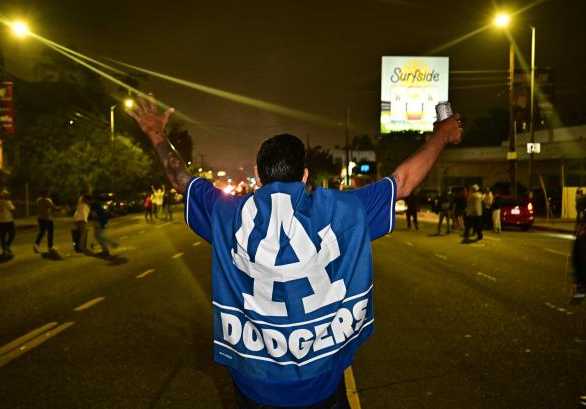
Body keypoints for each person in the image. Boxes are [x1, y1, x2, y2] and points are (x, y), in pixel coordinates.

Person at [127, 94, 461, 408]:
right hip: (322, 386)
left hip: (255, 387)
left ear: (258, 175)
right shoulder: (341, 210)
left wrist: (156, 133)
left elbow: (179, 178)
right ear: (304, 175)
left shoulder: (226, 213)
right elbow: (402, 182)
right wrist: (443, 134)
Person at [0, 189, 16, 257]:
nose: (8, 196)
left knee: (2, 236)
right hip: (8, 221)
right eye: (7, 195)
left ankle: (4, 250)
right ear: (4, 196)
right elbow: (13, 210)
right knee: (12, 234)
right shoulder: (7, 202)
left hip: (0, 221)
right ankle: (7, 246)